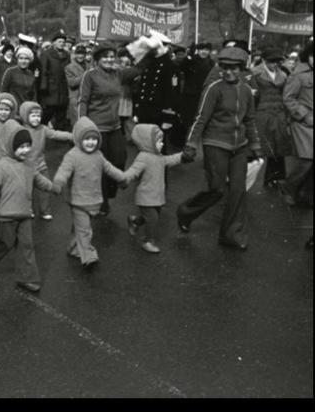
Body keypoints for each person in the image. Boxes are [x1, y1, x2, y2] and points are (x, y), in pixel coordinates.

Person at [176, 46, 262, 250]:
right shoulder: (214, 89)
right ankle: (186, 212)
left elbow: (249, 120)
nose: (229, 72)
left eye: (234, 68)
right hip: (215, 143)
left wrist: (255, 144)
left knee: (238, 190)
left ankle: (231, 235)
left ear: (242, 69)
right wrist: (190, 144)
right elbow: (200, 118)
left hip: (240, 146)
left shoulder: (246, 91)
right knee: (216, 189)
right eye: (225, 68)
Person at [0, 120, 58, 292]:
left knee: (26, 246)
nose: (26, 150)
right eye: (20, 146)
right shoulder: (2, 165)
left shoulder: (30, 164)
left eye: (28, 145)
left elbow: (39, 180)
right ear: (9, 145)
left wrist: (53, 187)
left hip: (25, 215)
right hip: (7, 216)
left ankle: (27, 278)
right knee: (5, 244)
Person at [51, 116, 130, 267]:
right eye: (87, 139)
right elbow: (64, 171)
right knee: (85, 229)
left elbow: (110, 169)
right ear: (79, 139)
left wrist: (122, 178)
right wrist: (58, 183)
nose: (91, 142)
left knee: (80, 227)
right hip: (78, 200)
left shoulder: (98, 155)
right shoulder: (73, 155)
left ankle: (73, 248)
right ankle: (88, 256)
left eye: (94, 139)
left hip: (94, 200)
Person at [77, 45, 147, 215]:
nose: (109, 60)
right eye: (105, 57)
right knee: (99, 167)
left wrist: (151, 48)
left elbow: (139, 68)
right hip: (95, 129)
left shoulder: (119, 74)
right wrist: (82, 125)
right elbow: (83, 101)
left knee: (119, 159)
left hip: (115, 126)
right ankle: (101, 202)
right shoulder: (90, 75)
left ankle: (108, 191)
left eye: (111, 56)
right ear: (97, 60)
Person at [123, 124, 193, 253]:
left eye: (162, 141)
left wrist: (182, 156)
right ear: (147, 142)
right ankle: (147, 241)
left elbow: (169, 160)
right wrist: (125, 178)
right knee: (152, 219)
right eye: (159, 141)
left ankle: (134, 221)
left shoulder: (159, 157)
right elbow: (134, 171)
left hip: (157, 196)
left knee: (148, 217)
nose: (162, 144)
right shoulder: (143, 157)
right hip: (145, 197)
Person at [17, 101, 73, 221]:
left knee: (45, 190)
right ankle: (28, 209)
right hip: (25, 167)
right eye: (33, 115)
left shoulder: (43, 129)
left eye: (38, 116)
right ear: (25, 116)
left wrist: (70, 136)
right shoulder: (20, 130)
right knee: (27, 190)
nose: (36, 118)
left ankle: (45, 210)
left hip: (41, 166)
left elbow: (55, 134)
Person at [248, 46, 291, 186]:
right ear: (265, 60)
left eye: (277, 61)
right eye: (272, 61)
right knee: (256, 146)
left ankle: (273, 178)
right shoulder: (254, 73)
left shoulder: (283, 75)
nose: (275, 64)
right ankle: (243, 176)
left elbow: (286, 95)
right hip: (260, 113)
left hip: (278, 114)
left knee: (278, 147)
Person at [279, 41, 313, 208]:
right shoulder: (298, 75)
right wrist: (304, 115)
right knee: (306, 160)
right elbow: (288, 98)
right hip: (303, 124)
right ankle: (289, 187)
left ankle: (305, 194)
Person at [177, 43, 214, 136]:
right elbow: (182, 68)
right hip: (190, 95)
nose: (204, 52)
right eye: (202, 49)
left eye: (206, 50)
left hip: (204, 94)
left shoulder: (211, 63)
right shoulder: (192, 60)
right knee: (188, 120)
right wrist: (189, 56)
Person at [38, 31, 70, 131]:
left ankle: (59, 139)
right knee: (47, 114)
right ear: (54, 42)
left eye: (63, 42)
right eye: (59, 41)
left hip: (63, 89)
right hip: (51, 90)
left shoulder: (67, 55)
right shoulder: (46, 54)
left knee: (61, 115)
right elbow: (43, 71)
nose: (62, 43)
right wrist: (43, 88)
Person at [64, 44, 88, 127]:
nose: (80, 56)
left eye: (82, 54)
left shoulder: (89, 66)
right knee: (77, 124)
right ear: (75, 54)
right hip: (76, 99)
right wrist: (85, 75)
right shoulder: (69, 67)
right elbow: (72, 83)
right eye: (78, 53)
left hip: (87, 98)